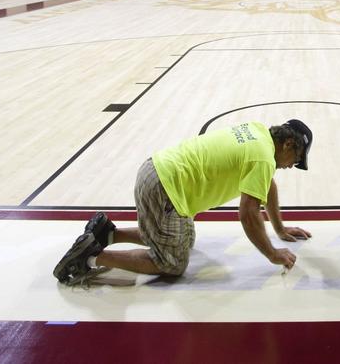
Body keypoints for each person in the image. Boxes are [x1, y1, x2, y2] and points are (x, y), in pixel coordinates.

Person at [53, 119, 313, 286]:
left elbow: (268, 186)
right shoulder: (263, 158)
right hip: (165, 190)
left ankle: (108, 233)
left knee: (185, 241)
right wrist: (272, 253)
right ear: (288, 144)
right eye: (295, 159)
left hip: (157, 173)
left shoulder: (257, 132)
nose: (291, 166)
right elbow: (247, 215)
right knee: (172, 264)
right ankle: (91, 257)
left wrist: (280, 229)